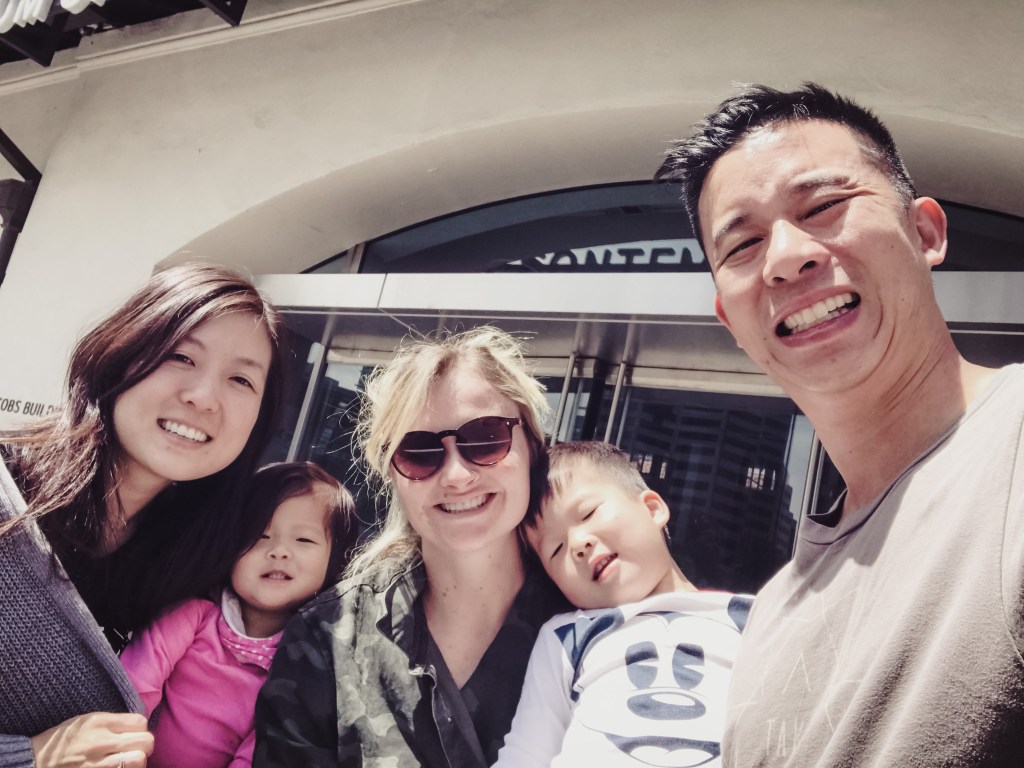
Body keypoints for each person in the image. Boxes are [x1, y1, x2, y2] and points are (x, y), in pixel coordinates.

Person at [656, 82, 1024, 766]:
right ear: (729, 319)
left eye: (824, 206)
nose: (785, 257)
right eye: (743, 244)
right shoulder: (771, 616)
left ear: (925, 232)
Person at [0, 263, 287, 768]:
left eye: (241, 379)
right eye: (180, 356)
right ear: (120, 355)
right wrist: (31, 756)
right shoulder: (9, 497)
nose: (203, 396)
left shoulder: (203, 569)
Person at [254, 326, 570, 768]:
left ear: (533, 448)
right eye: (418, 452)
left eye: (486, 438)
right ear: (392, 473)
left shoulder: (595, 618)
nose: (456, 476)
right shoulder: (328, 635)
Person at [494, 440, 751, 768]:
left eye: (588, 513)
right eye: (556, 550)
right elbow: (526, 755)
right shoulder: (567, 637)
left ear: (652, 509)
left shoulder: (754, 618)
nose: (578, 543)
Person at [120, 461, 357, 768]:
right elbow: (133, 686)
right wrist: (121, 753)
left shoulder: (308, 659)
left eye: (303, 540)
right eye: (260, 536)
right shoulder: (193, 616)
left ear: (335, 561)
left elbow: (267, 743)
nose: (279, 550)